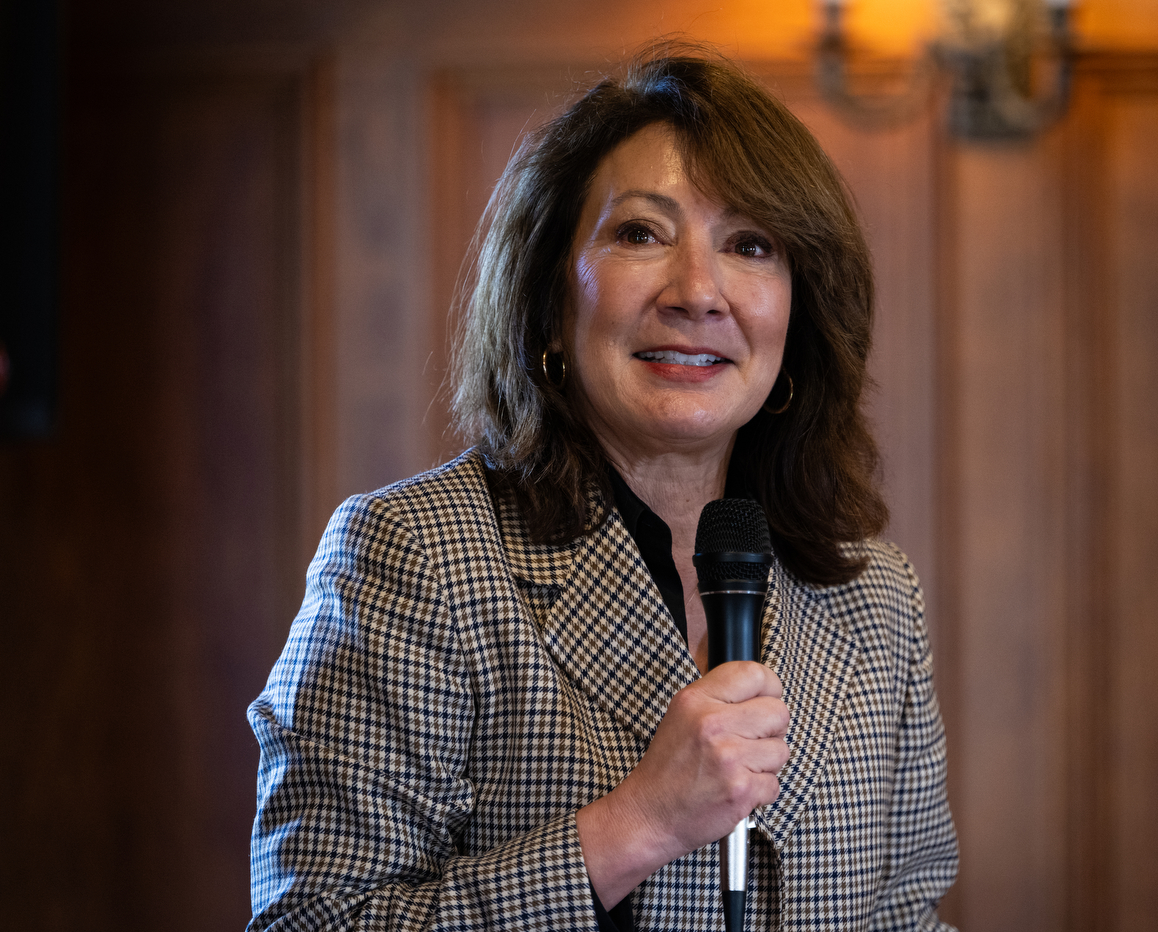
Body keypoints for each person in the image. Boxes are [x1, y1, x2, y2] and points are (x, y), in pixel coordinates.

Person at [248, 44, 958, 932]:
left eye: (750, 244)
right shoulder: (411, 556)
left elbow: (906, 916)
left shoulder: (874, 594)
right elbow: (310, 921)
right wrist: (640, 823)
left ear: (797, 315)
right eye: (640, 233)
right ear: (551, 298)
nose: (699, 292)